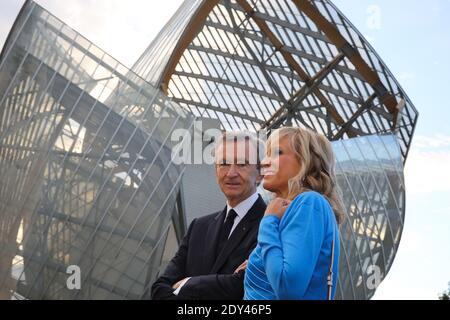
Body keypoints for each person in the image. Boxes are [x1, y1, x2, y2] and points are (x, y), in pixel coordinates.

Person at [151, 132, 266, 300]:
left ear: (260, 173)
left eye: (242, 164)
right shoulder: (198, 227)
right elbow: (159, 288)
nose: (231, 173)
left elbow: (242, 286)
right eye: (224, 164)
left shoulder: (271, 225)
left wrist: (187, 283)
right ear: (215, 170)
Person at [243, 127, 345, 300]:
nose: (265, 162)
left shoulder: (309, 202)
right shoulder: (294, 211)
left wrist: (268, 221)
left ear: (306, 162)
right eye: (266, 154)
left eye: (277, 152)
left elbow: (287, 287)